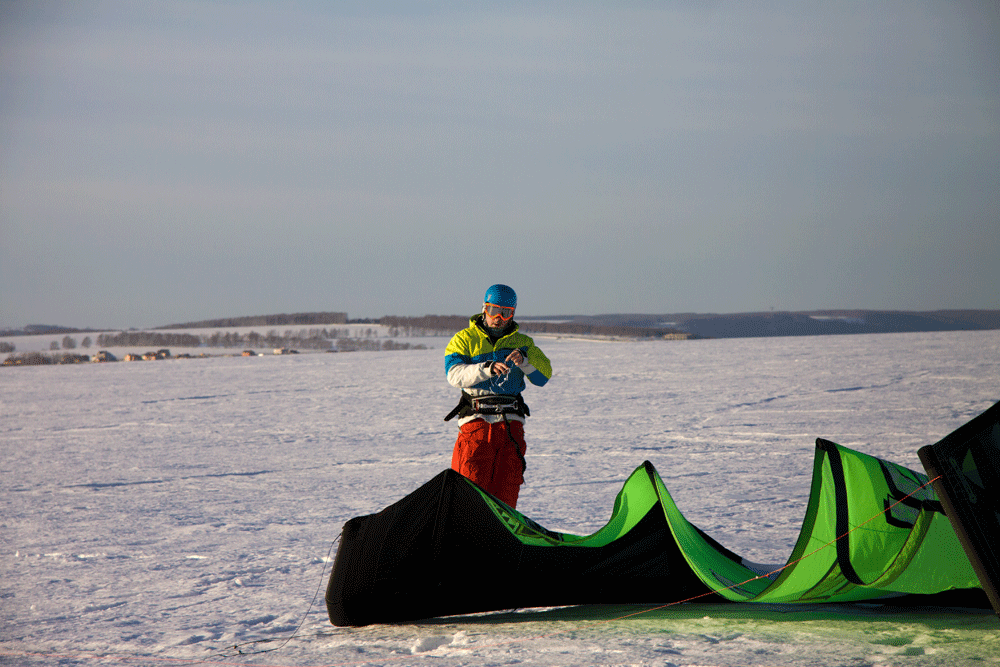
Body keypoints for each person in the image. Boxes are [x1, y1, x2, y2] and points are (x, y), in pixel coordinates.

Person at [444, 284, 552, 508]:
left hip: (510, 428)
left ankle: (501, 541)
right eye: (494, 310)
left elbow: (543, 377)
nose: (499, 318)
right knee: (469, 493)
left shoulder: (524, 344)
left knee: (506, 494)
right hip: (476, 424)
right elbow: (453, 375)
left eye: (506, 312)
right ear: (484, 308)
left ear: (513, 313)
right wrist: (486, 368)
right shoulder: (464, 339)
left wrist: (525, 361)